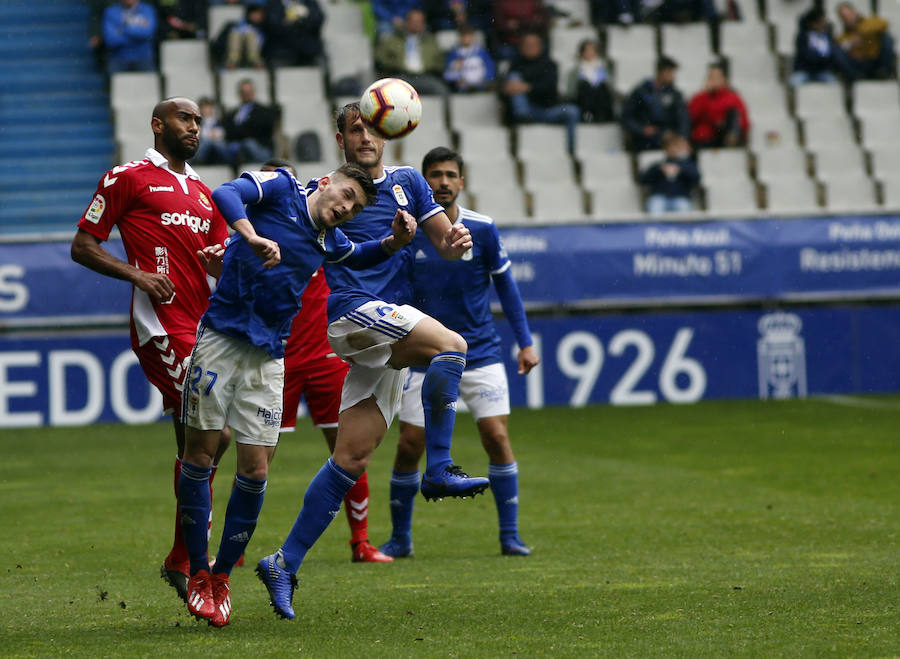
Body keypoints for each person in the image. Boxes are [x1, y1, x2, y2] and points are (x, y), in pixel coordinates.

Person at [254, 102, 486, 620]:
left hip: (383, 331)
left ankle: (283, 562)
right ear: (341, 140)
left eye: (373, 128)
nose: (365, 137)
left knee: (351, 459)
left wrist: (457, 241)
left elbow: (444, 246)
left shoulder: (409, 182)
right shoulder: (328, 189)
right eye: (355, 130)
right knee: (453, 346)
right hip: (352, 312)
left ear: (391, 131)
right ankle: (440, 468)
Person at [178, 161, 411, 627]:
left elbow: (357, 256)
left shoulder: (329, 240)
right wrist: (249, 235)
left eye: (355, 206)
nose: (346, 207)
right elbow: (226, 192)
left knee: (256, 469)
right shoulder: (281, 187)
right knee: (199, 458)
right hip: (219, 340)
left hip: (269, 357)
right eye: (345, 194)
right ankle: (197, 572)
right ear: (326, 182)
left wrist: (392, 243)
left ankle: (221, 577)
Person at [70, 97, 231, 604]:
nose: (194, 128)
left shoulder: (206, 194)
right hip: (160, 326)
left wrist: (226, 262)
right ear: (158, 124)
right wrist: (137, 273)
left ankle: (182, 560)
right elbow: (83, 245)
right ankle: (192, 563)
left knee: (199, 447)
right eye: (185, 119)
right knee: (215, 435)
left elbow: (220, 268)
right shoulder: (128, 177)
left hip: (203, 330)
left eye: (199, 121)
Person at [379, 146, 539, 560]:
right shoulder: (409, 230)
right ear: (424, 182)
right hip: (424, 354)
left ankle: (510, 535)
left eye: (450, 175)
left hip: (480, 352)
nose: (443, 182)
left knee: (496, 437)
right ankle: (400, 539)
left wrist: (525, 341)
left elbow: (506, 286)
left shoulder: (482, 229)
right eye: (435, 175)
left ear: (462, 182)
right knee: (410, 444)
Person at [264, 158, 393, 564]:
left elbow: (357, 255)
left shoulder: (323, 232)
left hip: (322, 355)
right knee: (257, 458)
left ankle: (361, 542)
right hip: (275, 357)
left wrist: (392, 243)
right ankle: (227, 553)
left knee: (348, 447)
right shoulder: (258, 236)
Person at [502, 31, 580, 153]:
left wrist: (527, 87)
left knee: (572, 112)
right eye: (527, 44)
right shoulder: (515, 65)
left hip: (548, 110)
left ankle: (571, 151)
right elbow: (506, 91)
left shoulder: (550, 64)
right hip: (527, 110)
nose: (530, 47)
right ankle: (523, 120)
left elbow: (548, 87)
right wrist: (509, 88)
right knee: (513, 78)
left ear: (540, 46)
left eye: (533, 44)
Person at [621, 56, 690, 152]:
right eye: (670, 73)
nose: (673, 77)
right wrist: (642, 129)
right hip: (644, 141)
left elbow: (683, 117)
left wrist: (682, 136)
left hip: (669, 139)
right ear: (661, 72)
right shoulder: (641, 91)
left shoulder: (675, 94)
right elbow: (626, 116)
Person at [375, 8, 448, 96]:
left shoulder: (431, 41)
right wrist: (395, 64)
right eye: (413, 21)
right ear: (406, 22)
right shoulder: (393, 39)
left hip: (425, 77)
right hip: (400, 76)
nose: (416, 24)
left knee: (442, 90)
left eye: (419, 21)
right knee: (387, 93)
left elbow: (440, 61)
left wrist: (430, 66)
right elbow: (381, 59)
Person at [687, 62, 749, 149]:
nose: (713, 80)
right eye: (710, 77)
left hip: (724, 133)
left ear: (724, 79)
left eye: (716, 77)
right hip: (705, 137)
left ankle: (731, 140)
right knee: (701, 134)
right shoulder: (700, 97)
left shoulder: (733, 97)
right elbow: (691, 116)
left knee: (733, 114)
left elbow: (743, 121)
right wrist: (705, 95)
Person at [638, 132, 700, 214]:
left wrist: (681, 170)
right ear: (665, 149)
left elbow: (697, 178)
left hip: (680, 198)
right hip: (659, 197)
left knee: (683, 208)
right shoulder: (657, 165)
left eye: (675, 147)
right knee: (655, 206)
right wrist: (658, 170)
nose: (673, 149)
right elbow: (641, 179)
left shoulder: (687, 165)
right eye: (670, 147)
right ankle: (655, 227)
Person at [790, 6, 853, 87]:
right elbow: (807, 56)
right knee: (794, 82)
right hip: (805, 70)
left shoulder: (828, 37)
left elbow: (832, 53)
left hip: (823, 71)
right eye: (820, 22)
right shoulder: (803, 37)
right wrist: (825, 57)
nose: (823, 24)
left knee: (834, 84)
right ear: (812, 24)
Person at [223, 78, 278, 165]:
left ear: (253, 92)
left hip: (260, 147)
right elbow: (228, 130)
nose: (246, 94)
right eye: (244, 92)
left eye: (249, 91)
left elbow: (260, 129)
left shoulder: (264, 111)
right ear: (239, 93)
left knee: (248, 144)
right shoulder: (233, 113)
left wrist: (240, 131)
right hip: (238, 147)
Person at [836, 2, 895, 80]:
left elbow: (884, 24)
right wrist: (851, 44)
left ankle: (884, 71)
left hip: (876, 60)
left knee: (887, 38)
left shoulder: (869, 22)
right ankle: (853, 76)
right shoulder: (844, 36)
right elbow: (840, 45)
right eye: (843, 17)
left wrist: (861, 34)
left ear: (855, 13)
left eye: (848, 15)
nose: (847, 19)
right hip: (861, 64)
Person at [262, 0, 324, 68]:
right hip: (281, 52)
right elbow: (274, 25)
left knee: (321, 65)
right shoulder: (273, 3)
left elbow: (318, 19)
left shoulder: (309, 2)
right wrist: (297, 22)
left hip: (310, 51)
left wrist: (297, 21)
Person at [102, 0, 158, 74]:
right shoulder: (111, 11)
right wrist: (137, 34)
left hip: (143, 58)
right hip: (118, 59)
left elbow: (147, 33)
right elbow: (111, 40)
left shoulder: (147, 9)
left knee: (148, 84)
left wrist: (123, 29)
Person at [567, 39, 614, 124]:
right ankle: (587, 115)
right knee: (585, 86)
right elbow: (571, 91)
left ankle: (601, 115)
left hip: (600, 101)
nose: (590, 53)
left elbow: (609, 88)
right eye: (587, 50)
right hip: (583, 101)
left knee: (601, 88)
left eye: (592, 50)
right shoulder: (575, 71)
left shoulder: (603, 69)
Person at [443, 24, 496, 93]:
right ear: (460, 37)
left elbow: (490, 68)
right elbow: (447, 73)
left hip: (481, 83)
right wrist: (455, 69)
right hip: (462, 85)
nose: (467, 39)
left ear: (473, 37)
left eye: (469, 36)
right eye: (464, 36)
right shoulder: (454, 54)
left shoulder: (481, 52)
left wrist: (486, 79)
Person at [192, 97, 231, 165]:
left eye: (208, 107)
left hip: (217, 147)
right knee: (207, 143)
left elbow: (223, 134)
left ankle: (228, 163)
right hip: (203, 147)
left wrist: (211, 135)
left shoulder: (220, 121)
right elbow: (200, 136)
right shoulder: (196, 123)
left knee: (219, 145)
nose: (206, 110)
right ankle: (198, 162)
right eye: (204, 108)